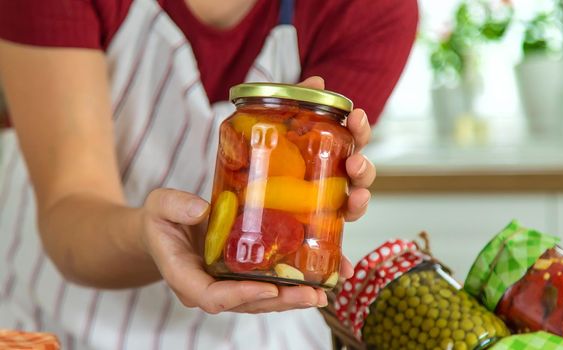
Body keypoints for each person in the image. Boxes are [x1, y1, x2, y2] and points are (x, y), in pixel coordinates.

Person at [0, 0, 417, 348]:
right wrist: (155, 236)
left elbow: (304, 198)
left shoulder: (370, 8)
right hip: (55, 323)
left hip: (252, 336)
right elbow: (69, 207)